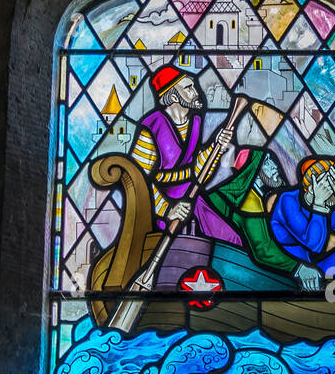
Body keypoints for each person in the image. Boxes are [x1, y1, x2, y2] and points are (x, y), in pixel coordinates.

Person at [128, 65, 241, 246]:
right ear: (173, 96)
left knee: (231, 239)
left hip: (192, 198)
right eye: (188, 88)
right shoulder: (152, 126)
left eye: (194, 86)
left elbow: (198, 171)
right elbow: (138, 179)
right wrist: (167, 209)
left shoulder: (195, 121)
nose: (196, 92)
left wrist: (216, 145)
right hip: (161, 208)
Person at [205, 149, 322, 290]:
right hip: (235, 273)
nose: (275, 167)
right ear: (253, 171)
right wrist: (299, 268)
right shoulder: (249, 201)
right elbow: (263, 248)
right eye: (267, 163)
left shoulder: (260, 197)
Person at [270, 157, 335, 278]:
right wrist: (319, 205)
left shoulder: (332, 202)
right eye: (329, 183)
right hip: (300, 267)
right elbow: (314, 244)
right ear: (311, 188)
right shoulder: (289, 200)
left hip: (327, 261)